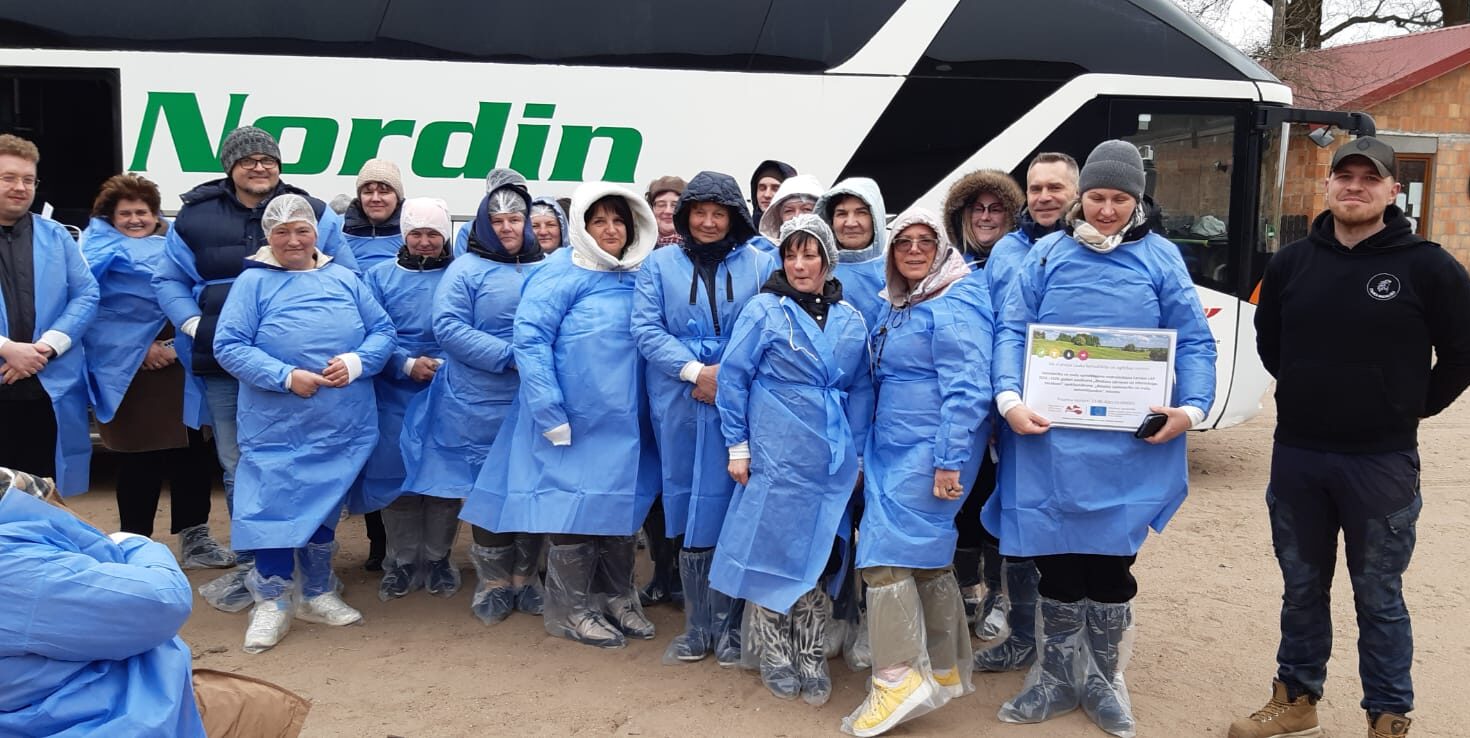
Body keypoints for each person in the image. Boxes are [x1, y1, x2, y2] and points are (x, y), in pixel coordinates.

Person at [1230, 137, 1470, 738]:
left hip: (1380, 462)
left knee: (1379, 595)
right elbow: (1270, 341)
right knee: (1301, 588)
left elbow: (1462, 353)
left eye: (1370, 178)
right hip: (1299, 455)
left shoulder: (1429, 266)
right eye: (1345, 176)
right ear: (1329, 184)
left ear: (1393, 190)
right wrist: (1309, 389)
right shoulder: (1291, 263)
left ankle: (1387, 714)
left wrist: (1411, 406)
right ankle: (1296, 698)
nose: (1355, 186)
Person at [984, 140, 1216, 736]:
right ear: (1080, 198)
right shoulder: (1046, 256)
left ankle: (1105, 679)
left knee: (1111, 568)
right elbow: (1012, 330)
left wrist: (1190, 408)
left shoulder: (1161, 259)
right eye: (1096, 197)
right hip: (1049, 445)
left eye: (1119, 198)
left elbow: (1193, 339)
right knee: (1058, 567)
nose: (1106, 210)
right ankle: (1056, 677)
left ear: (1138, 199)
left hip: (1129, 450)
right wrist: (1009, 399)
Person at [152, 126, 358, 582]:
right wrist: (194, 324)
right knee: (241, 461)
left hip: (306, 367)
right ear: (230, 167)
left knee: (311, 458)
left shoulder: (313, 211)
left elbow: (348, 276)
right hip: (225, 361)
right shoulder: (195, 217)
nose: (259, 167)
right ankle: (256, 565)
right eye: (248, 160)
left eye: (268, 159)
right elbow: (168, 279)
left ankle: (308, 559)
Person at [460, 181, 660, 650]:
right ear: (583, 227)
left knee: (618, 506)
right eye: (599, 221)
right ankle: (570, 610)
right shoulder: (558, 273)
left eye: (619, 221)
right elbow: (531, 341)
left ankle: (616, 596)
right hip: (574, 417)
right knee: (571, 508)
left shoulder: (641, 274)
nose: (610, 230)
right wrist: (549, 408)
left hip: (626, 419)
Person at [0, 466, 310, 737]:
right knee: (255, 709)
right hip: (91, 717)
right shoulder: (19, 567)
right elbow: (162, 600)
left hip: (45, 698)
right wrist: (134, 543)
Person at [213, 194, 394, 653]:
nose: (293, 240)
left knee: (325, 503)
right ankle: (273, 599)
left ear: (317, 233)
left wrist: (356, 362)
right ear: (267, 236)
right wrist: (284, 376)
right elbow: (229, 345)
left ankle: (316, 591)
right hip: (276, 423)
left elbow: (383, 332)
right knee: (272, 505)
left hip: (340, 421)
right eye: (282, 232)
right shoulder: (253, 283)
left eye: (302, 230)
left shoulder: (345, 279)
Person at [710, 214, 874, 706]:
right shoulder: (763, 310)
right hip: (776, 452)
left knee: (822, 554)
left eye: (810, 254)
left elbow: (862, 388)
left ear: (828, 260)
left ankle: (810, 652)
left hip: (829, 457)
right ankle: (775, 653)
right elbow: (733, 378)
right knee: (772, 549)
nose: (800, 265)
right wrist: (738, 446)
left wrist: (857, 453)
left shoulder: (851, 317)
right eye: (791, 254)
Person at [842, 207, 991, 738]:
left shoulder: (954, 301)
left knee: (883, 558)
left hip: (929, 452)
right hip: (894, 448)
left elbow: (968, 387)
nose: (912, 250)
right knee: (925, 557)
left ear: (943, 248)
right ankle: (944, 666)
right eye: (902, 242)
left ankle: (897, 679)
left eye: (925, 241)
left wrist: (949, 458)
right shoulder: (904, 302)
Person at [633, 170, 777, 667]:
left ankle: (732, 625)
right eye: (700, 212)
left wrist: (727, 376)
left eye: (719, 213)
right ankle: (698, 625)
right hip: (678, 395)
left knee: (737, 499)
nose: (709, 222)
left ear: (735, 217)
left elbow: (772, 323)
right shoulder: (658, 265)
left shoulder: (761, 262)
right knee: (688, 501)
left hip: (745, 395)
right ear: (685, 216)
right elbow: (646, 328)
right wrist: (695, 371)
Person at [401, 169, 548, 623]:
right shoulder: (465, 269)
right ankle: (494, 581)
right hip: (477, 400)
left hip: (534, 398)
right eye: (497, 220)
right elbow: (448, 326)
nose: (507, 227)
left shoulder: (549, 268)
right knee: (486, 489)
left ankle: (527, 577)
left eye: (515, 219)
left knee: (529, 484)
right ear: (484, 224)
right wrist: (508, 356)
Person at [80, 174, 232, 568]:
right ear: (110, 218)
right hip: (129, 372)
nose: (135, 220)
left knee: (193, 455)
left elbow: (193, 293)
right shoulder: (91, 253)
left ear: (156, 214)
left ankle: (196, 541)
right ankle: (135, 544)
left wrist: (174, 346)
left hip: (182, 365)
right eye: (125, 213)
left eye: (142, 212)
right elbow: (88, 310)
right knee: (137, 460)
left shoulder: (175, 247)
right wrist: (137, 347)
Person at [974, 151, 1079, 673]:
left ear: (1075, 191)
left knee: (1073, 522)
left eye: (1055, 188)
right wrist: (1001, 404)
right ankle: (1021, 635)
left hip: (1078, 413)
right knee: (1018, 520)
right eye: (1036, 188)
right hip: (1018, 412)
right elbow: (997, 330)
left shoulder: (1089, 250)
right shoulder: (1007, 251)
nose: (1044, 197)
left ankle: (1065, 642)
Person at [357, 198, 456, 602]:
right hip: (393, 390)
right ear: (404, 235)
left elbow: (469, 325)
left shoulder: (460, 274)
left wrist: (448, 363)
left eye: (433, 233)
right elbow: (369, 331)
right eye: (416, 233)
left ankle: (437, 559)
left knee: (444, 475)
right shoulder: (378, 277)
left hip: (448, 390)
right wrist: (404, 362)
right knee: (395, 476)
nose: (425, 241)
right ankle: (400, 561)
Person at [938, 169, 1022, 638]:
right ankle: (965, 583)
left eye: (996, 209)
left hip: (1011, 403)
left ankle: (998, 592)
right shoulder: (948, 267)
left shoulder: (1024, 262)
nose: (986, 217)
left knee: (1001, 496)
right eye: (978, 209)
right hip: (964, 403)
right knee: (965, 496)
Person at [0, 133, 99, 496]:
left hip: (46, 388)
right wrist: (7, 348)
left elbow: (86, 295)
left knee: (42, 492)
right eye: (8, 177)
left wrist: (45, 348)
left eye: (28, 179)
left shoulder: (56, 236)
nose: (20, 187)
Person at [342, 159, 405, 570]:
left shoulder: (416, 234)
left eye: (384, 189)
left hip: (404, 364)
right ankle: (378, 543)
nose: (376, 197)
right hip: (360, 362)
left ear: (398, 195)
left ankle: (412, 547)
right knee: (371, 455)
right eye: (368, 189)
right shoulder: (339, 237)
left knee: (402, 452)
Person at [816, 178, 888, 331]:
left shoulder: (895, 272)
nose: (850, 223)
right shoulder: (813, 269)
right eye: (841, 214)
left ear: (875, 218)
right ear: (830, 222)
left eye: (861, 213)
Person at [342, 158, 405, 271]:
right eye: (368, 192)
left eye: (384, 192)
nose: (375, 199)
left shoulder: (413, 231)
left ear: (397, 197)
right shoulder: (339, 228)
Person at [756, 174, 825, 243]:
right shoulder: (764, 249)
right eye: (789, 211)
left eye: (806, 209)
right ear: (779, 217)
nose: (797, 216)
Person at [749, 159, 796, 225]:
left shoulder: (803, 229)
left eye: (775, 189)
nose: (767, 195)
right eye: (762, 188)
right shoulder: (744, 229)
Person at [646, 175, 686, 248]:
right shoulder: (638, 245)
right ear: (652, 209)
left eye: (675, 205)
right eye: (661, 205)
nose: (668, 211)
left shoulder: (699, 247)